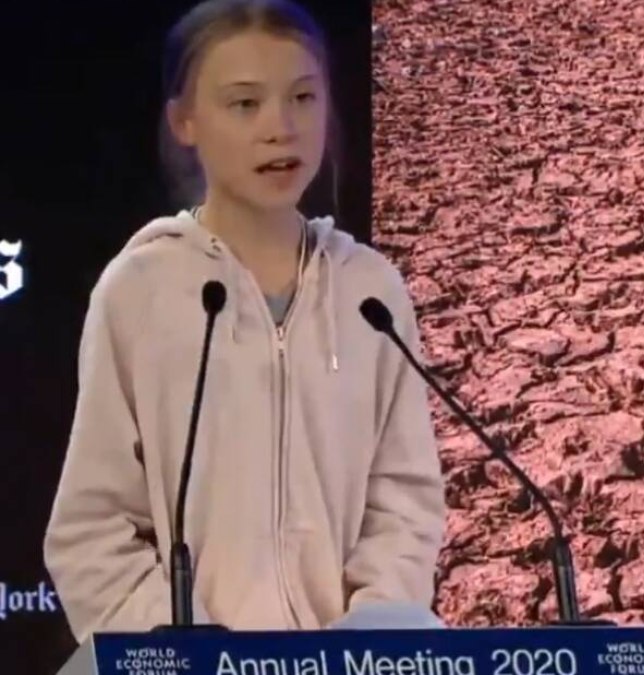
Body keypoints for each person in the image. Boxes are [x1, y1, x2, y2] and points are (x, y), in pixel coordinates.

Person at [43, 0, 447, 641]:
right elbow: (93, 529)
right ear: (185, 122)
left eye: (303, 98)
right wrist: (180, 645)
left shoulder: (371, 291)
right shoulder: (139, 291)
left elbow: (405, 502)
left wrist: (369, 637)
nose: (281, 128)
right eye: (244, 104)